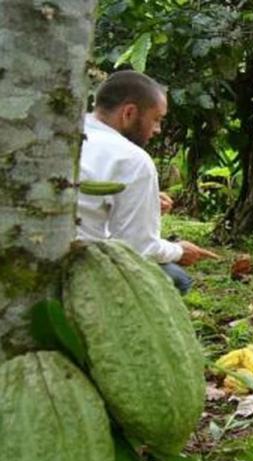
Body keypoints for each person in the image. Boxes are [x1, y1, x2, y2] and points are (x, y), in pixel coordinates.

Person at [77, 70, 218, 294]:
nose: (158, 130)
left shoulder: (68, 133)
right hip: (79, 266)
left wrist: (147, 201)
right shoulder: (132, 158)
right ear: (129, 113)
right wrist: (179, 251)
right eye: (156, 119)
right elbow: (139, 249)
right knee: (177, 278)